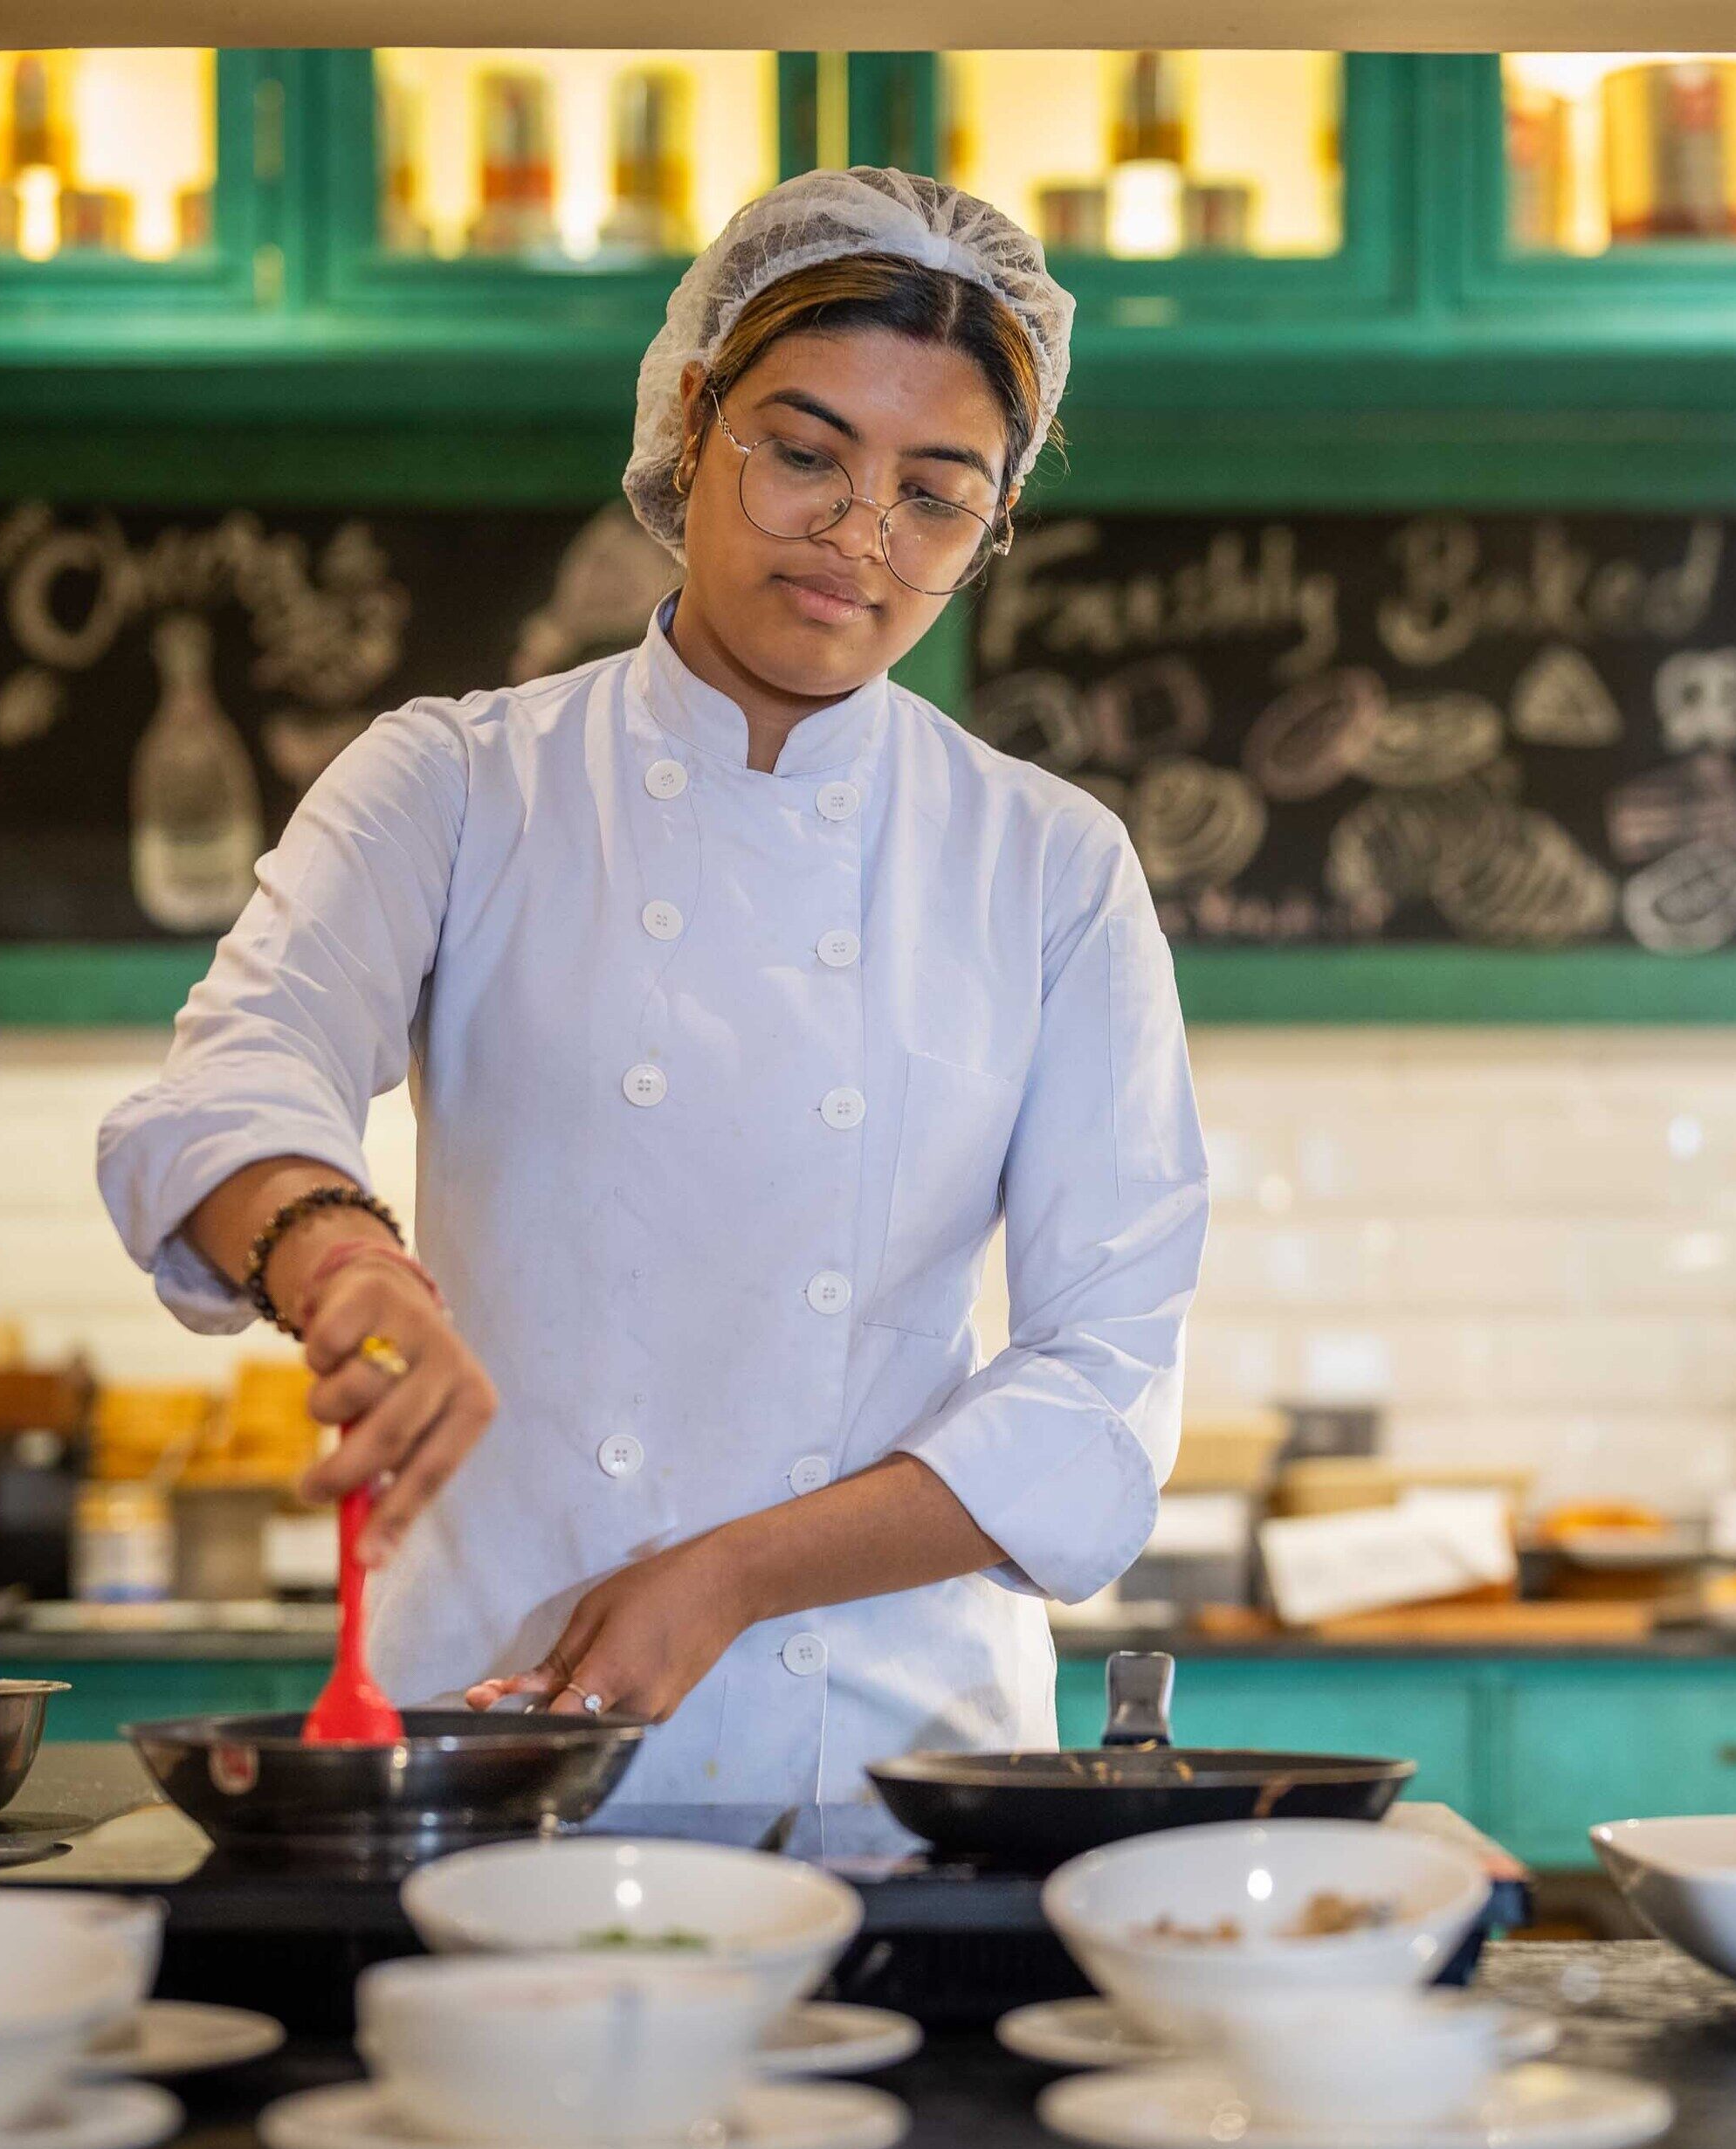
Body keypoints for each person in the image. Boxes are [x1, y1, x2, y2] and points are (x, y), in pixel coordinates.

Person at [97, 169, 1206, 1807]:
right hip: (485, 1718)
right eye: (805, 454)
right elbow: (230, 1078)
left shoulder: (1049, 864)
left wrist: (732, 1575)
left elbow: (1106, 1387)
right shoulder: (457, 783)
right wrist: (335, 1258)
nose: (856, 537)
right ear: (696, 426)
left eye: (936, 494)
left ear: (991, 528)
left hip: (887, 1771)